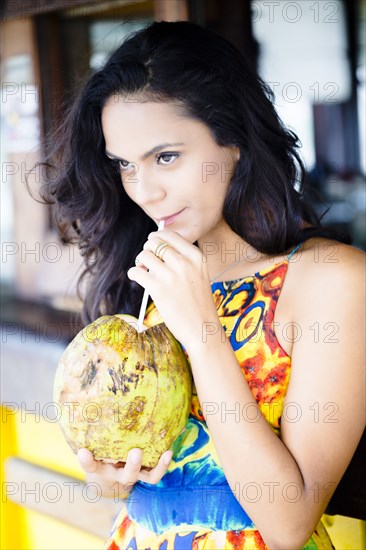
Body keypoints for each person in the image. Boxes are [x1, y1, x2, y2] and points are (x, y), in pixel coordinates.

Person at [42, 20, 365, 550]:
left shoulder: (331, 281)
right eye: (124, 165)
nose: (143, 190)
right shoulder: (153, 282)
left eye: (166, 156)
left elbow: (289, 523)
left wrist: (203, 332)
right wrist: (112, 480)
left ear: (233, 141)